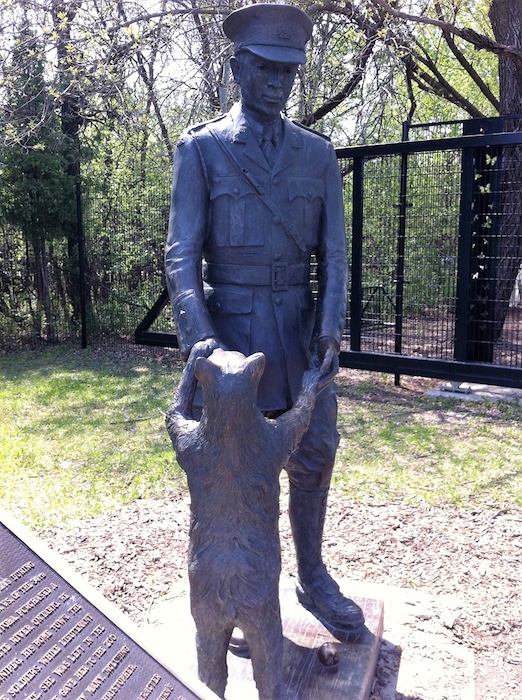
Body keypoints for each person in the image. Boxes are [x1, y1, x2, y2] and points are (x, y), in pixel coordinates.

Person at [165, 3, 365, 642]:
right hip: (230, 342)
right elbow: (180, 255)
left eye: (288, 71)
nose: (278, 82)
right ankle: (239, 597)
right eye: (265, 68)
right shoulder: (202, 150)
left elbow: (335, 253)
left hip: (301, 337)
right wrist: (202, 345)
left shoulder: (319, 155)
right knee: (234, 475)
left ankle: (311, 575)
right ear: (238, 66)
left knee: (315, 455)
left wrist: (331, 326)